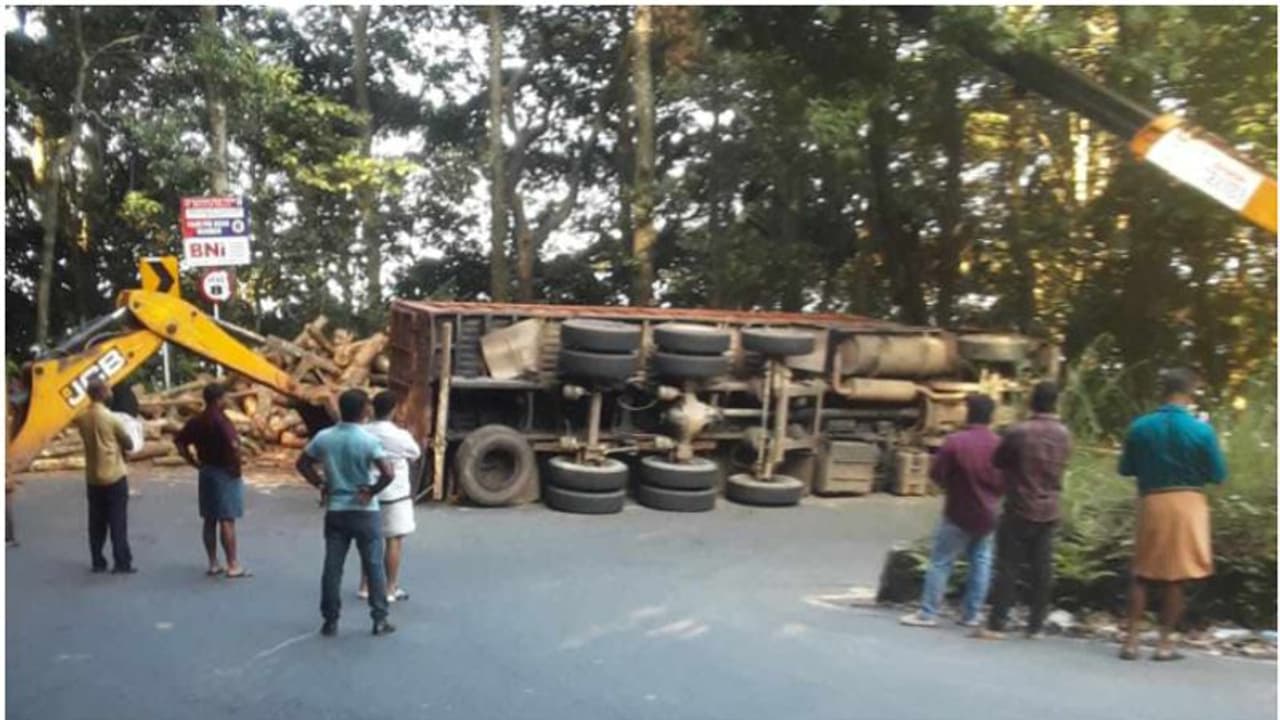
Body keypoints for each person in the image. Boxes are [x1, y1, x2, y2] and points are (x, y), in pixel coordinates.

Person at [1117, 368, 1226, 662]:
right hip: (1188, 503)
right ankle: (1164, 644)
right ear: (1189, 393)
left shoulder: (1140, 427)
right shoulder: (1201, 430)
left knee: (1141, 572)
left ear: (1162, 391)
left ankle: (1131, 641)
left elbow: (1125, 468)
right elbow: (1218, 474)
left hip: (1152, 500)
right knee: (1176, 576)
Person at [296, 389, 397, 637]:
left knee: (333, 567)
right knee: (373, 565)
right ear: (364, 411)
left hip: (337, 509)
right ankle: (379, 618)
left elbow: (302, 463)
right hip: (364, 510)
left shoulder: (324, 437)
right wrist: (372, 490)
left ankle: (330, 620)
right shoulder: (368, 441)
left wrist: (320, 484)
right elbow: (388, 473)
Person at [975, 382, 1072, 640]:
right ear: (1056, 403)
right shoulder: (1064, 434)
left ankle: (997, 623)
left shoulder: (1019, 432)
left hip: (1019, 505)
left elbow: (998, 460)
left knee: (1008, 567)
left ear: (1032, 402)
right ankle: (1035, 625)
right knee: (1042, 569)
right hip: (1049, 507)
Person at [901, 394, 1004, 628]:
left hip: (957, 511)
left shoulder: (955, 442)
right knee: (981, 561)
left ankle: (928, 613)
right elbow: (1006, 479)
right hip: (988, 513)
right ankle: (971, 615)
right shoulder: (999, 444)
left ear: (968, 413)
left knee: (941, 561)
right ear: (992, 416)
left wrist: (952, 487)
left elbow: (937, 474)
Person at [175, 383, 250, 579]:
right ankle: (233, 564)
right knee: (227, 518)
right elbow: (233, 444)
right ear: (218, 400)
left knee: (209, 519)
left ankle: (213, 563)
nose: (227, 401)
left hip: (206, 470)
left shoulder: (197, 421)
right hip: (224, 471)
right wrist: (236, 466)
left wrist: (192, 461)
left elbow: (180, 442)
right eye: (225, 397)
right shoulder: (221, 421)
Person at [358, 391, 421, 604]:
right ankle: (390, 588)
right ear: (394, 410)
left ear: (373, 409)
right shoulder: (401, 436)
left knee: (369, 540)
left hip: (367, 492)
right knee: (393, 540)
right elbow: (415, 454)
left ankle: (365, 586)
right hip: (395, 494)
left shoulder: (362, 432)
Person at [74, 377, 138, 574]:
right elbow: (128, 443)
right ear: (102, 393)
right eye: (108, 390)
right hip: (114, 474)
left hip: (92, 476)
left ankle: (97, 561)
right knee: (117, 521)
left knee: (96, 522)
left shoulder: (82, 418)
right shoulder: (111, 418)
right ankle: (121, 562)